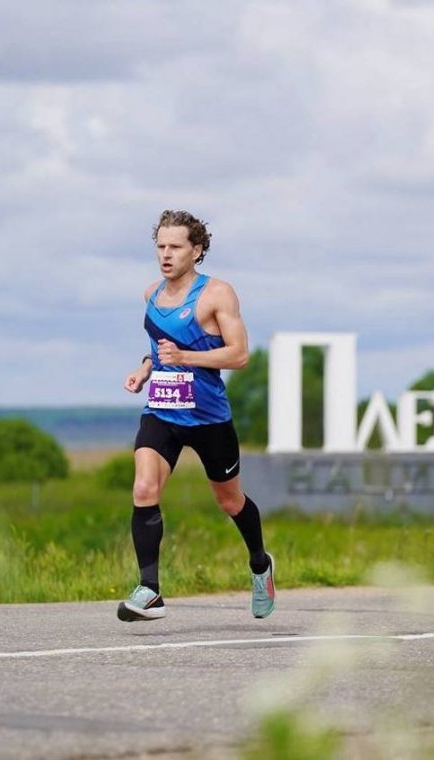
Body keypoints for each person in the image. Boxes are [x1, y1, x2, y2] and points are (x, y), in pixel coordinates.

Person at [118, 209, 274, 622]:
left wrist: (185, 356)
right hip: (163, 411)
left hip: (208, 417)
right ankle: (150, 590)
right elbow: (159, 348)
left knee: (229, 500)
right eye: (160, 246)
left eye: (175, 247)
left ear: (197, 250)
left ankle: (260, 565)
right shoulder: (150, 294)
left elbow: (239, 354)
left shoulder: (217, 294)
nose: (165, 255)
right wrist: (145, 369)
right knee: (144, 488)